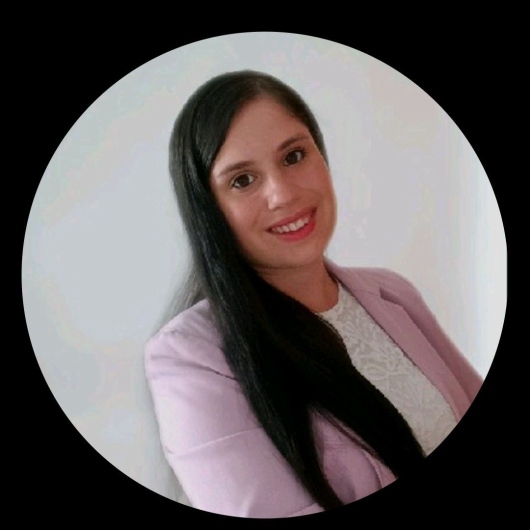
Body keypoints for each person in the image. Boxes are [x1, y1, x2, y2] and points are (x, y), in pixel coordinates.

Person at [144, 70, 483, 518]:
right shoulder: (190, 359)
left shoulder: (392, 292)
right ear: (209, 209)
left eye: (294, 156)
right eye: (242, 180)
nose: (283, 194)